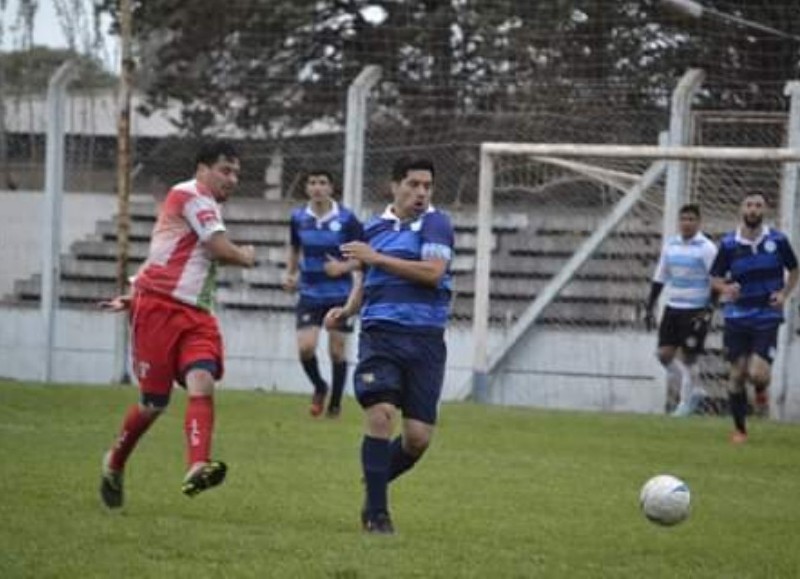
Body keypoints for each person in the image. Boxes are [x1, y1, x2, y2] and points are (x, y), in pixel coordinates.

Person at [98, 141, 257, 508]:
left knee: (202, 381)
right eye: (225, 170)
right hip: (158, 311)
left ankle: (196, 464)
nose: (232, 179)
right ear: (202, 169)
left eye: (236, 173)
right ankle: (114, 462)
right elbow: (219, 249)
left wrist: (134, 293)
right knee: (154, 403)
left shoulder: (206, 204)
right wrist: (246, 257)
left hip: (196, 315)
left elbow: (165, 254)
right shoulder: (190, 195)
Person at [325, 156, 454, 535]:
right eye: (413, 185)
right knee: (380, 413)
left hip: (426, 340)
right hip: (380, 335)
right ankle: (377, 515)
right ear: (394, 186)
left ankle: (375, 482)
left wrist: (376, 256)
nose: (421, 193)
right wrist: (347, 310)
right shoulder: (373, 228)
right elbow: (366, 281)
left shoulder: (436, 223)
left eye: (427, 186)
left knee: (417, 439)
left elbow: (433, 274)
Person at [710, 191, 798, 444]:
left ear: (765, 210)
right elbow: (715, 278)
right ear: (741, 209)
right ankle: (740, 430)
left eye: (758, 205)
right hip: (736, 316)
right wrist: (725, 289)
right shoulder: (728, 244)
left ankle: (761, 390)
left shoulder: (778, 240)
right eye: (749, 205)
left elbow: (794, 270)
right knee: (737, 374)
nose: (753, 210)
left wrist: (784, 293)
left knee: (757, 373)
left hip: (766, 315)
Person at [282, 170, 363, 418]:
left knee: (337, 351)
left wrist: (342, 267)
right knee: (306, 348)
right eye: (312, 182)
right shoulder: (298, 217)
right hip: (310, 293)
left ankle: (335, 405)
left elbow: (364, 255)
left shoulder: (347, 219)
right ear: (307, 187)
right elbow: (295, 247)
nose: (317, 187)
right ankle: (320, 386)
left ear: (331, 187)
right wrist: (291, 273)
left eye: (322, 182)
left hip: (340, 295)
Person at [643, 204, 718, 417]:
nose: (686, 223)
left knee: (688, 357)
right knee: (664, 355)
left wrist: (709, 310)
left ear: (699, 222)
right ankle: (694, 390)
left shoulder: (706, 248)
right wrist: (650, 306)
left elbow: (717, 280)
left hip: (696, 309)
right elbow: (660, 276)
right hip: (673, 307)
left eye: (691, 219)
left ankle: (684, 404)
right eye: (683, 219)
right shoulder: (671, 245)